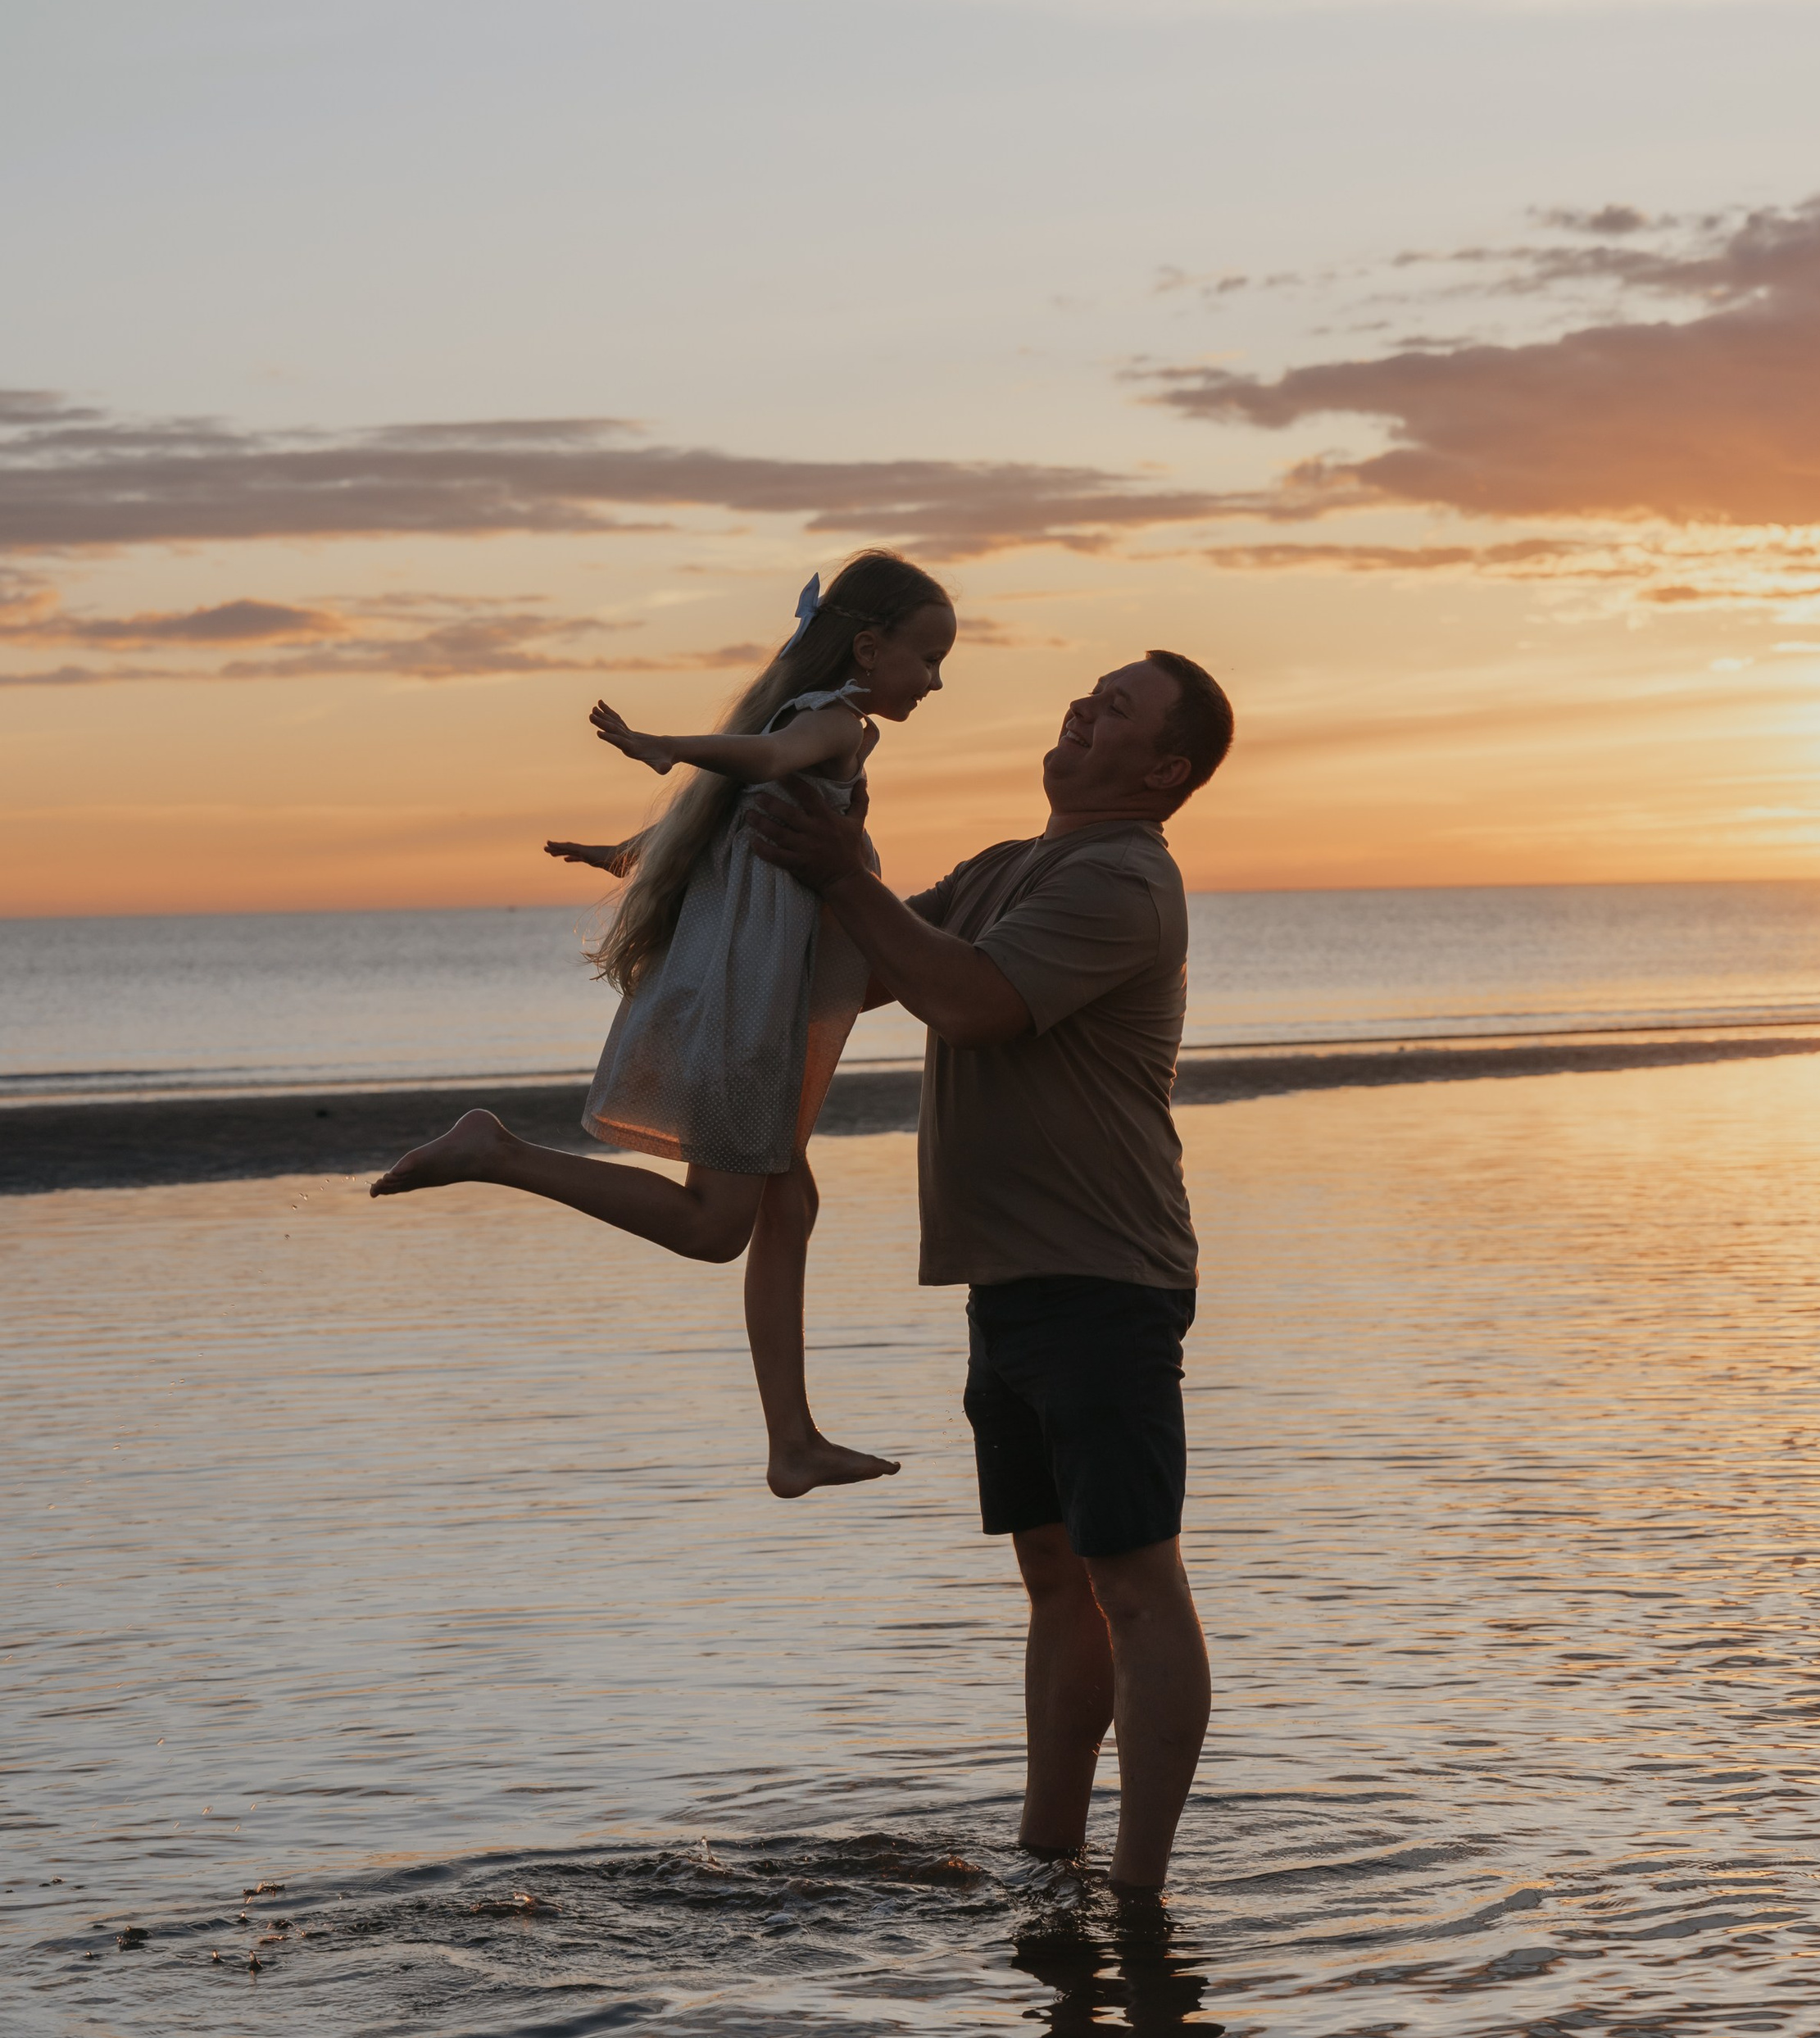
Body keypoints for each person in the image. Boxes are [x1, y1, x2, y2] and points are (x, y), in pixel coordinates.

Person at [750, 647, 1234, 1888]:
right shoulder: (1013, 869)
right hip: (1011, 1282)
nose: (1082, 708)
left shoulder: (1125, 883)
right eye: (1089, 693)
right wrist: (773, 832)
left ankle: (1138, 1889)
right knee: (1053, 1581)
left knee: (1133, 1580)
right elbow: (870, 965)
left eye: (1115, 708)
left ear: (1164, 767)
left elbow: (970, 1001)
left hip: (1104, 1278)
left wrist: (848, 879)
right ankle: (1047, 1855)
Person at [370, 551, 957, 1496]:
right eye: (927, 659)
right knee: (715, 1228)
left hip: (745, 1005)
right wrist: (668, 746)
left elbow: (721, 827)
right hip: (749, 1018)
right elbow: (760, 765)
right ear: (867, 647)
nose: (935, 681)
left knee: (789, 1205)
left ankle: (792, 1442)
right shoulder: (831, 727)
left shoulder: (792, 726)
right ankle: (498, 1152)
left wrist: (625, 850)